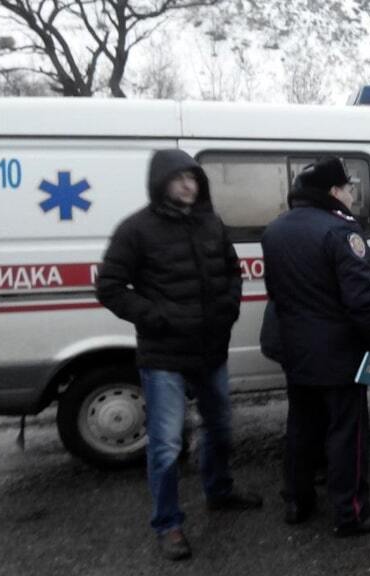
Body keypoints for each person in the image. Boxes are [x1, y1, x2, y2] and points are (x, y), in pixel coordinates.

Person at [96, 149, 262, 561]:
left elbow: (231, 270)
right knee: (167, 445)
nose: (188, 184)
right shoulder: (136, 229)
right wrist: (157, 317)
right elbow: (110, 287)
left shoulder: (210, 222)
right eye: (179, 178)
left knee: (221, 427)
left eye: (193, 177)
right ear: (161, 182)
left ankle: (219, 491)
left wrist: (229, 308)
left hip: (211, 349)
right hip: (164, 355)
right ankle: (168, 524)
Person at [261, 157, 370, 536]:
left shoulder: (274, 230)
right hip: (337, 353)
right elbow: (361, 298)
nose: (353, 195)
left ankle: (296, 501)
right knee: (346, 432)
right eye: (349, 188)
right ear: (334, 191)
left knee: (301, 427)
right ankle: (352, 512)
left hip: (294, 349)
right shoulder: (341, 232)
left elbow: (277, 292)